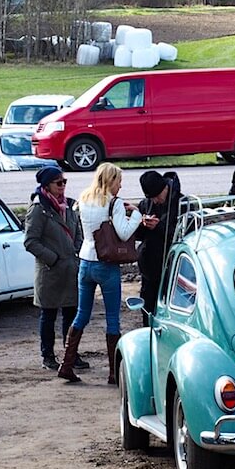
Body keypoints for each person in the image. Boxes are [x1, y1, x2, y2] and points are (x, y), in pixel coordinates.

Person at [61, 162, 147, 385]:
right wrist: (136, 215)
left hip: (86, 260)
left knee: (82, 314)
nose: (120, 186)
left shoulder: (85, 198)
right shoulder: (114, 203)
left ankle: (66, 363)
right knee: (112, 319)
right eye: (119, 181)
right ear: (111, 181)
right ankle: (113, 372)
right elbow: (124, 231)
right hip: (106, 264)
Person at [23, 165, 83, 371]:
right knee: (48, 316)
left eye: (64, 182)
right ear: (47, 185)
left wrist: (75, 251)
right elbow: (30, 242)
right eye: (59, 183)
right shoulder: (39, 209)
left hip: (70, 270)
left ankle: (71, 354)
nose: (63, 186)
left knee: (71, 314)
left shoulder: (70, 205)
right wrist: (54, 259)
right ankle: (47, 355)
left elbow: (77, 232)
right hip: (50, 273)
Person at [134, 170, 182, 317]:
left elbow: (183, 235)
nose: (154, 201)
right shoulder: (145, 203)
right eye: (150, 198)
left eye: (156, 196)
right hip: (149, 266)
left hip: (173, 266)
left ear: (165, 188)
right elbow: (138, 236)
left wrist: (159, 226)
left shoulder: (181, 203)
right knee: (147, 308)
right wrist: (140, 223)